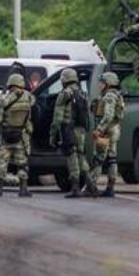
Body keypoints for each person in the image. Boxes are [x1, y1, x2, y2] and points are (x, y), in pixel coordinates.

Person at [50, 68, 97, 198]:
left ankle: (75, 187)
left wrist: (53, 135)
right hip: (81, 130)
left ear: (64, 79)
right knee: (81, 156)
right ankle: (91, 185)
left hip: (68, 129)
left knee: (72, 157)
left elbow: (57, 118)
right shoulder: (82, 93)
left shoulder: (64, 94)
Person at [0, 73, 34, 198]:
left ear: (10, 84)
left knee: (2, 162)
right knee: (22, 162)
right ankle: (23, 188)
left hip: (6, 135)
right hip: (22, 135)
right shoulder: (29, 98)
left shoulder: (5, 99)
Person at [89, 72, 125, 198]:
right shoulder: (116, 95)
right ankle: (110, 187)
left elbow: (108, 115)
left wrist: (99, 129)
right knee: (112, 159)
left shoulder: (109, 96)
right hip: (114, 129)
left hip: (107, 131)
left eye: (102, 83)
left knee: (99, 158)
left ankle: (91, 185)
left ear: (108, 84)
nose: (100, 85)